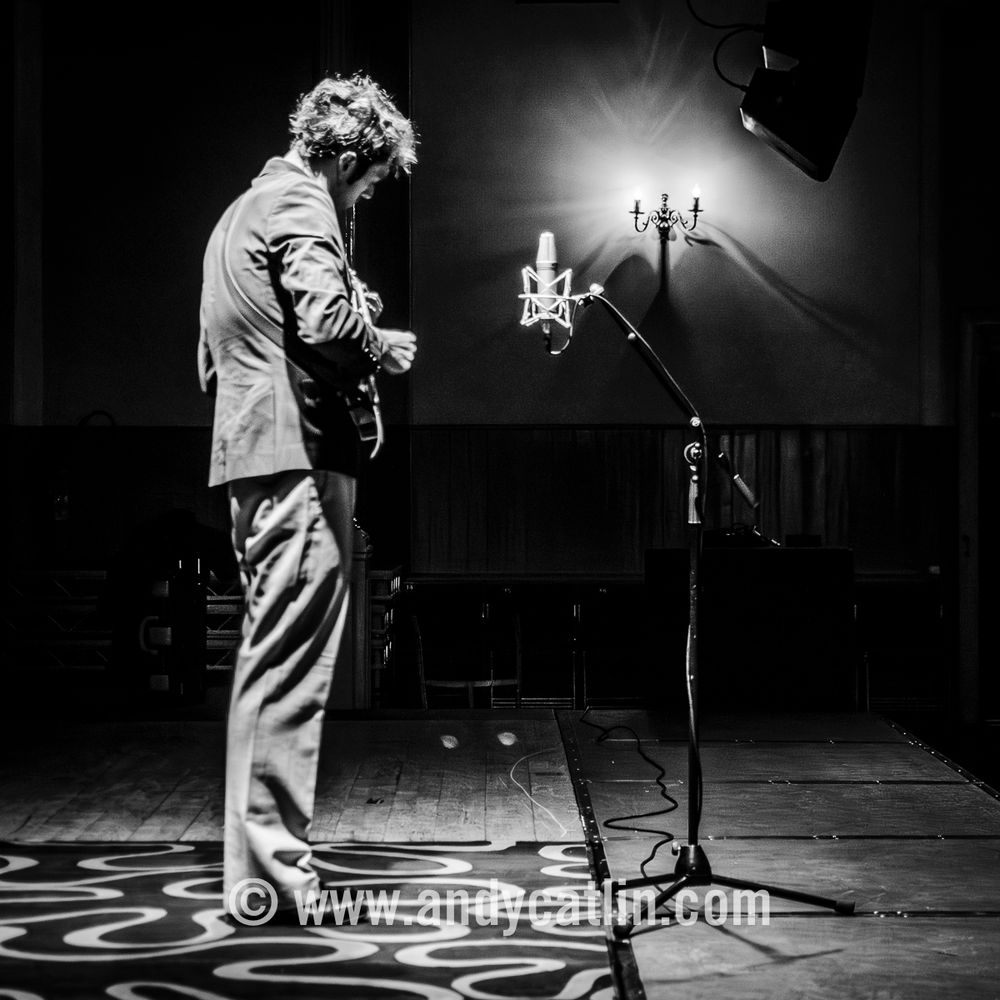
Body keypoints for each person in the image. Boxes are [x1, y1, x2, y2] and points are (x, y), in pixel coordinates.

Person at [197, 73, 417, 921]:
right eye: (369, 180)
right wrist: (378, 342)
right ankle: (274, 879)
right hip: (292, 454)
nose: (365, 197)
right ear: (350, 158)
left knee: (270, 662)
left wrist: (343, 309)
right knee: (288, 671)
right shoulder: (300, 200)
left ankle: (258, 877)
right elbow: (324, 326)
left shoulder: (243, 208)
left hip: (254, 451)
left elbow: (246, 336)